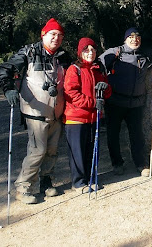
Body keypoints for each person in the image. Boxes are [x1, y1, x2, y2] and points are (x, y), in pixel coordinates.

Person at [0, 18, 72, 204]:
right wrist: (9, 89)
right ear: (43, 34)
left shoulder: (63, 56)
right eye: (53, 34)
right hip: (35, 111)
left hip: (57, 112)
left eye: (60, 35)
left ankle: (46, 182)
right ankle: (23, 187)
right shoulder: (29, 53)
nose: (56, 38)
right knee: (38, 150)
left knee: (52, 150)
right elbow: (4, 71)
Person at [99, 27, 152, 177]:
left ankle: (141, 164)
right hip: (115, 101)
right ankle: (117, 163)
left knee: (137, 135)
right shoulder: (115, 52)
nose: (134, 39)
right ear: (125, 39)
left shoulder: (144, 54)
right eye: (131, 37)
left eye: (137, 37)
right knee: (113, 135)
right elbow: (98, 65)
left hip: (136, 103)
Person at [63, 38, 112, 193]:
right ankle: (78, 183)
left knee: (91, 149)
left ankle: (90, 177)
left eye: (93, 50)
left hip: (93, 118)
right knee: (77, 151)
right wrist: (93, 103)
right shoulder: (74, 69)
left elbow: (107, 92)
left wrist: (105, 89)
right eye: (86, 50)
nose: (90, 53)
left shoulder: (98, 69)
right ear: (80, 52)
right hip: (76, 118)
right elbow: (71, 93)